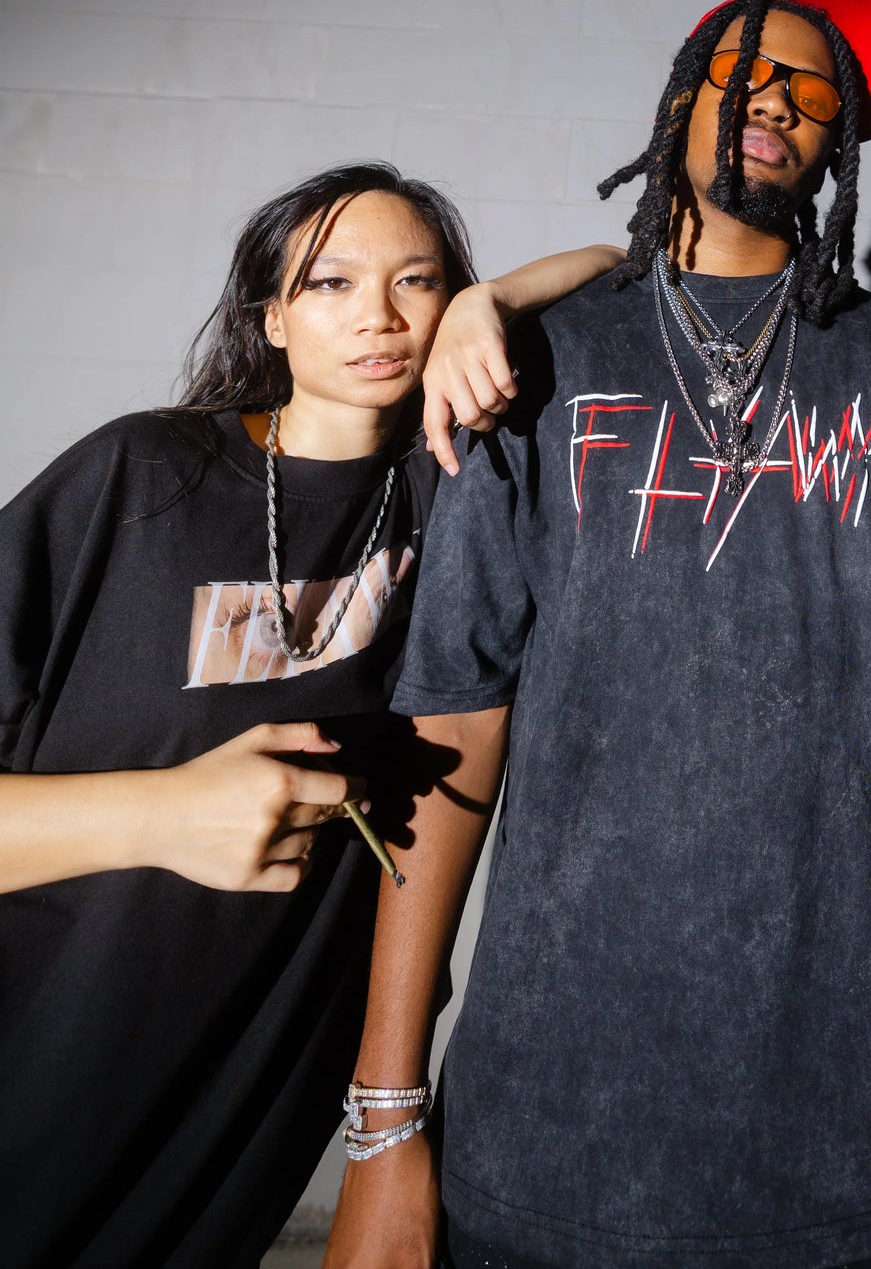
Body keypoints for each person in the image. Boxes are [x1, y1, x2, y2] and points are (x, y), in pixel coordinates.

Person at [325, 0, 871, 1269]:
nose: (772, 98)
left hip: (866, 1130)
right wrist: (385, 1118)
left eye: (809, 87)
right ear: (680, 100)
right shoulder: (531, 359)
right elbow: (452, 721)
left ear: (839, 142)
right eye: (741, 71)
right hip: (554, 1138)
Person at [0, 160, 619, 1269]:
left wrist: (497, 302)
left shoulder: (453, 494)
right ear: (273, 317)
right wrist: (162, 814)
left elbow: (626, 267)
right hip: (46, 1040)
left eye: (418, 280)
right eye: (329, 284)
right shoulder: (141, 475)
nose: (379, 316)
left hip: (260, 1058)